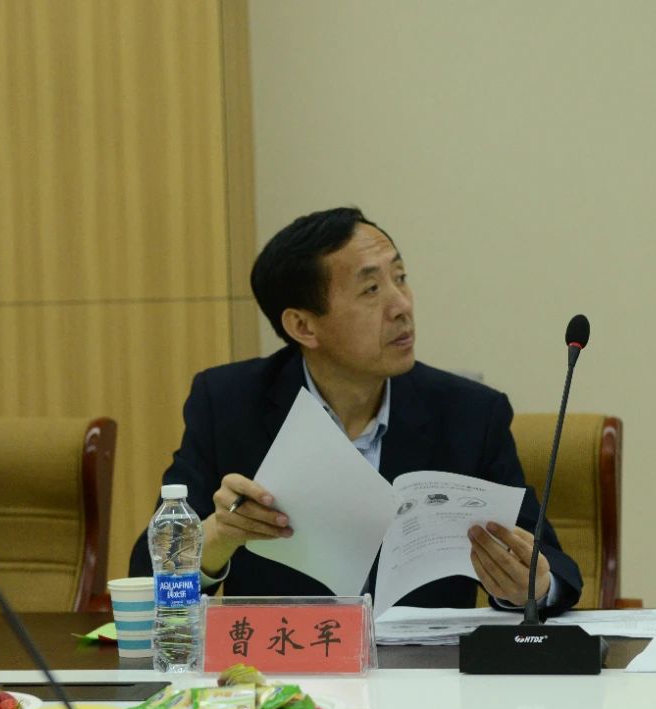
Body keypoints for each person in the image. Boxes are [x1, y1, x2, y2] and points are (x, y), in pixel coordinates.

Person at [129, 207, 582, 615]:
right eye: (371, 289)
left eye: (400, 278)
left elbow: (554, 566)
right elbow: (147, 576)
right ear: (303, 325)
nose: (401, 305)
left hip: (425, 672)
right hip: (285, 667)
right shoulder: (228, 403)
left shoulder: (469, 413)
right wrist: (218, 537)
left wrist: (532, 585)